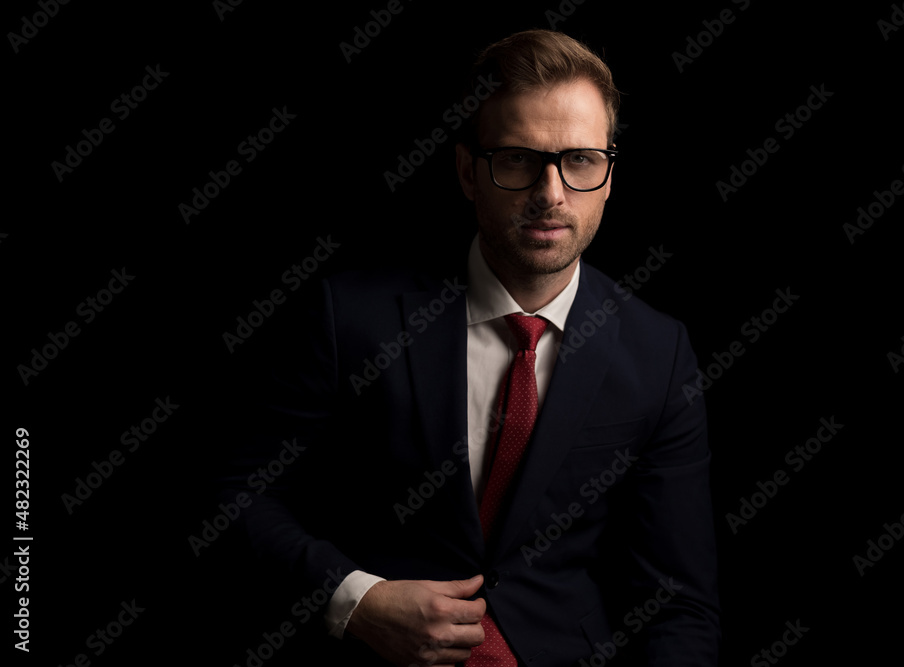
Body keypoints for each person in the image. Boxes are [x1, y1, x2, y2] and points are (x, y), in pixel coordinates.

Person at [223, 29, 720, 666]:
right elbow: (239, 497)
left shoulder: (659, 350)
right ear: (467, 171)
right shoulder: (349, 317)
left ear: (609, 173)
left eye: (581, 160)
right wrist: (356, 600)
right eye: (517, 158)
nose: (551, 193)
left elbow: (678, 601)